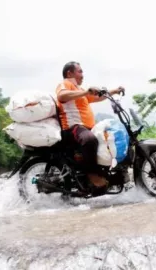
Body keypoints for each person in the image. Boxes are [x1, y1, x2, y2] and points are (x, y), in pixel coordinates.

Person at [55, 61, 124, 195]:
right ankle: (92, 176)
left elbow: (97, 98)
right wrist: (85, 92)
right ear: (69, 73)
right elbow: (61, 96)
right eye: (80, 71)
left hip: (85, 127)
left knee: (107, 136)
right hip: (73, 127)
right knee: (90, 140)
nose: (82, 75)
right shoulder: (65, 84)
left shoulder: (79, 91)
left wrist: (114, 91)